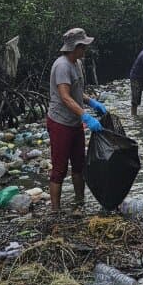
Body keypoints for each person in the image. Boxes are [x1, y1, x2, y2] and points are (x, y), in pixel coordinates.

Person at [46, 26, 107, 212]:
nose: (85, 50)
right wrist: (85, 116)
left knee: (79, 164)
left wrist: (92, 102)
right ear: (75, 47)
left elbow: (77, 92)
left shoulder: (77, 63)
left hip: (74, 122)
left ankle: (80, 202)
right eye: (83, 46)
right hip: (60, 122)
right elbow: (65, 96)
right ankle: (55, 210)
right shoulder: (62, 66)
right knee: (59, 168)